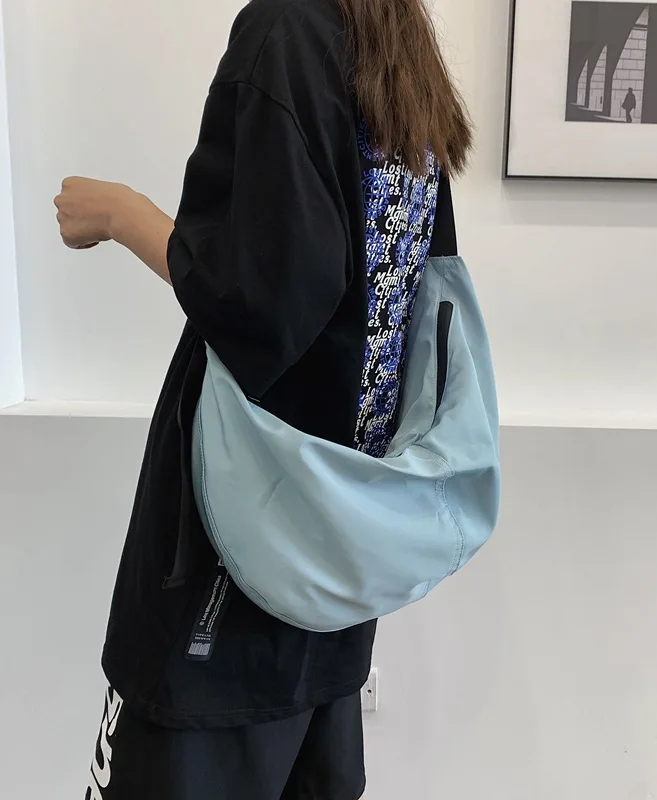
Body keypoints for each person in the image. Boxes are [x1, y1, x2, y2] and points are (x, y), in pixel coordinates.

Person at [54, 1, 472, 798]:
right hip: (336, 555)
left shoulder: (286, 31)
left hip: (235, 556)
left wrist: (121, 215)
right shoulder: (393, 41)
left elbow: (264, 301)